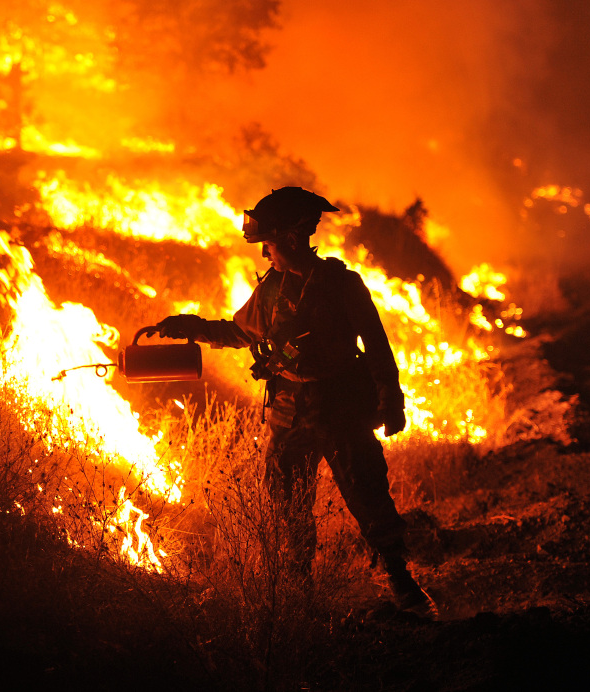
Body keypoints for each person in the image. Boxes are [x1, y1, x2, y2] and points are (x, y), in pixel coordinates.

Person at [155, 186, 436, 617]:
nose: (264, 253)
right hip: (289, 411)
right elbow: (238, 333)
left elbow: (377, 345)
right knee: (288, 504)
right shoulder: (270, 290)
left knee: (367, 493)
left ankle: (403, 585)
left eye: (268, 243)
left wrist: (390, 399)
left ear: (289, 238)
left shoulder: (342, 285)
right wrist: (189, 326)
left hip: (340, 406)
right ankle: (298, 591)